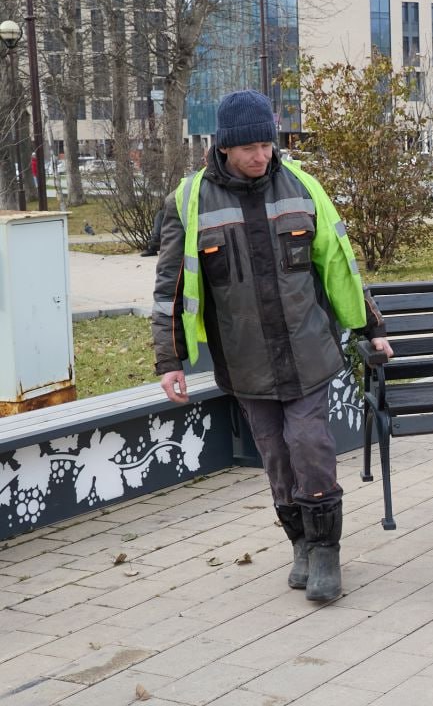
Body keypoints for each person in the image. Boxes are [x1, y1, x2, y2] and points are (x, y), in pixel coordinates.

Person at [150, 90, 393, 602]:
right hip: (245, 358)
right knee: (275, 454)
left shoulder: (303, 186)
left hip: (307, 349)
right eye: (250, 148)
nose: (262, 156)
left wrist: (373, 329)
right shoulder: (188, 201)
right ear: (224, 148)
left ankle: (327, 553)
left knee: (310, 444)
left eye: (267, 144)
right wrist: (169, 359)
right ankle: (301, 542)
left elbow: (340, 267)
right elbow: (171, 283)